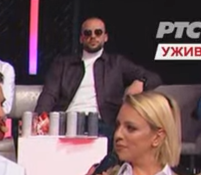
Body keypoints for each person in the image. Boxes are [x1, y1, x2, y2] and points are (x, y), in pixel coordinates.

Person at [34, 17, 162, 146]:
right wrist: (40, 118)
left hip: (103, 123)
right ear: (81, 38)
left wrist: (141, 82)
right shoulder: (63, 64)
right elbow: (49, 94)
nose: (93, 36)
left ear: (105, 37)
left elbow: (154, 77)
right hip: (68, 121)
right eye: (88, 33)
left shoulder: (116, 63)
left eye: (98, 32)